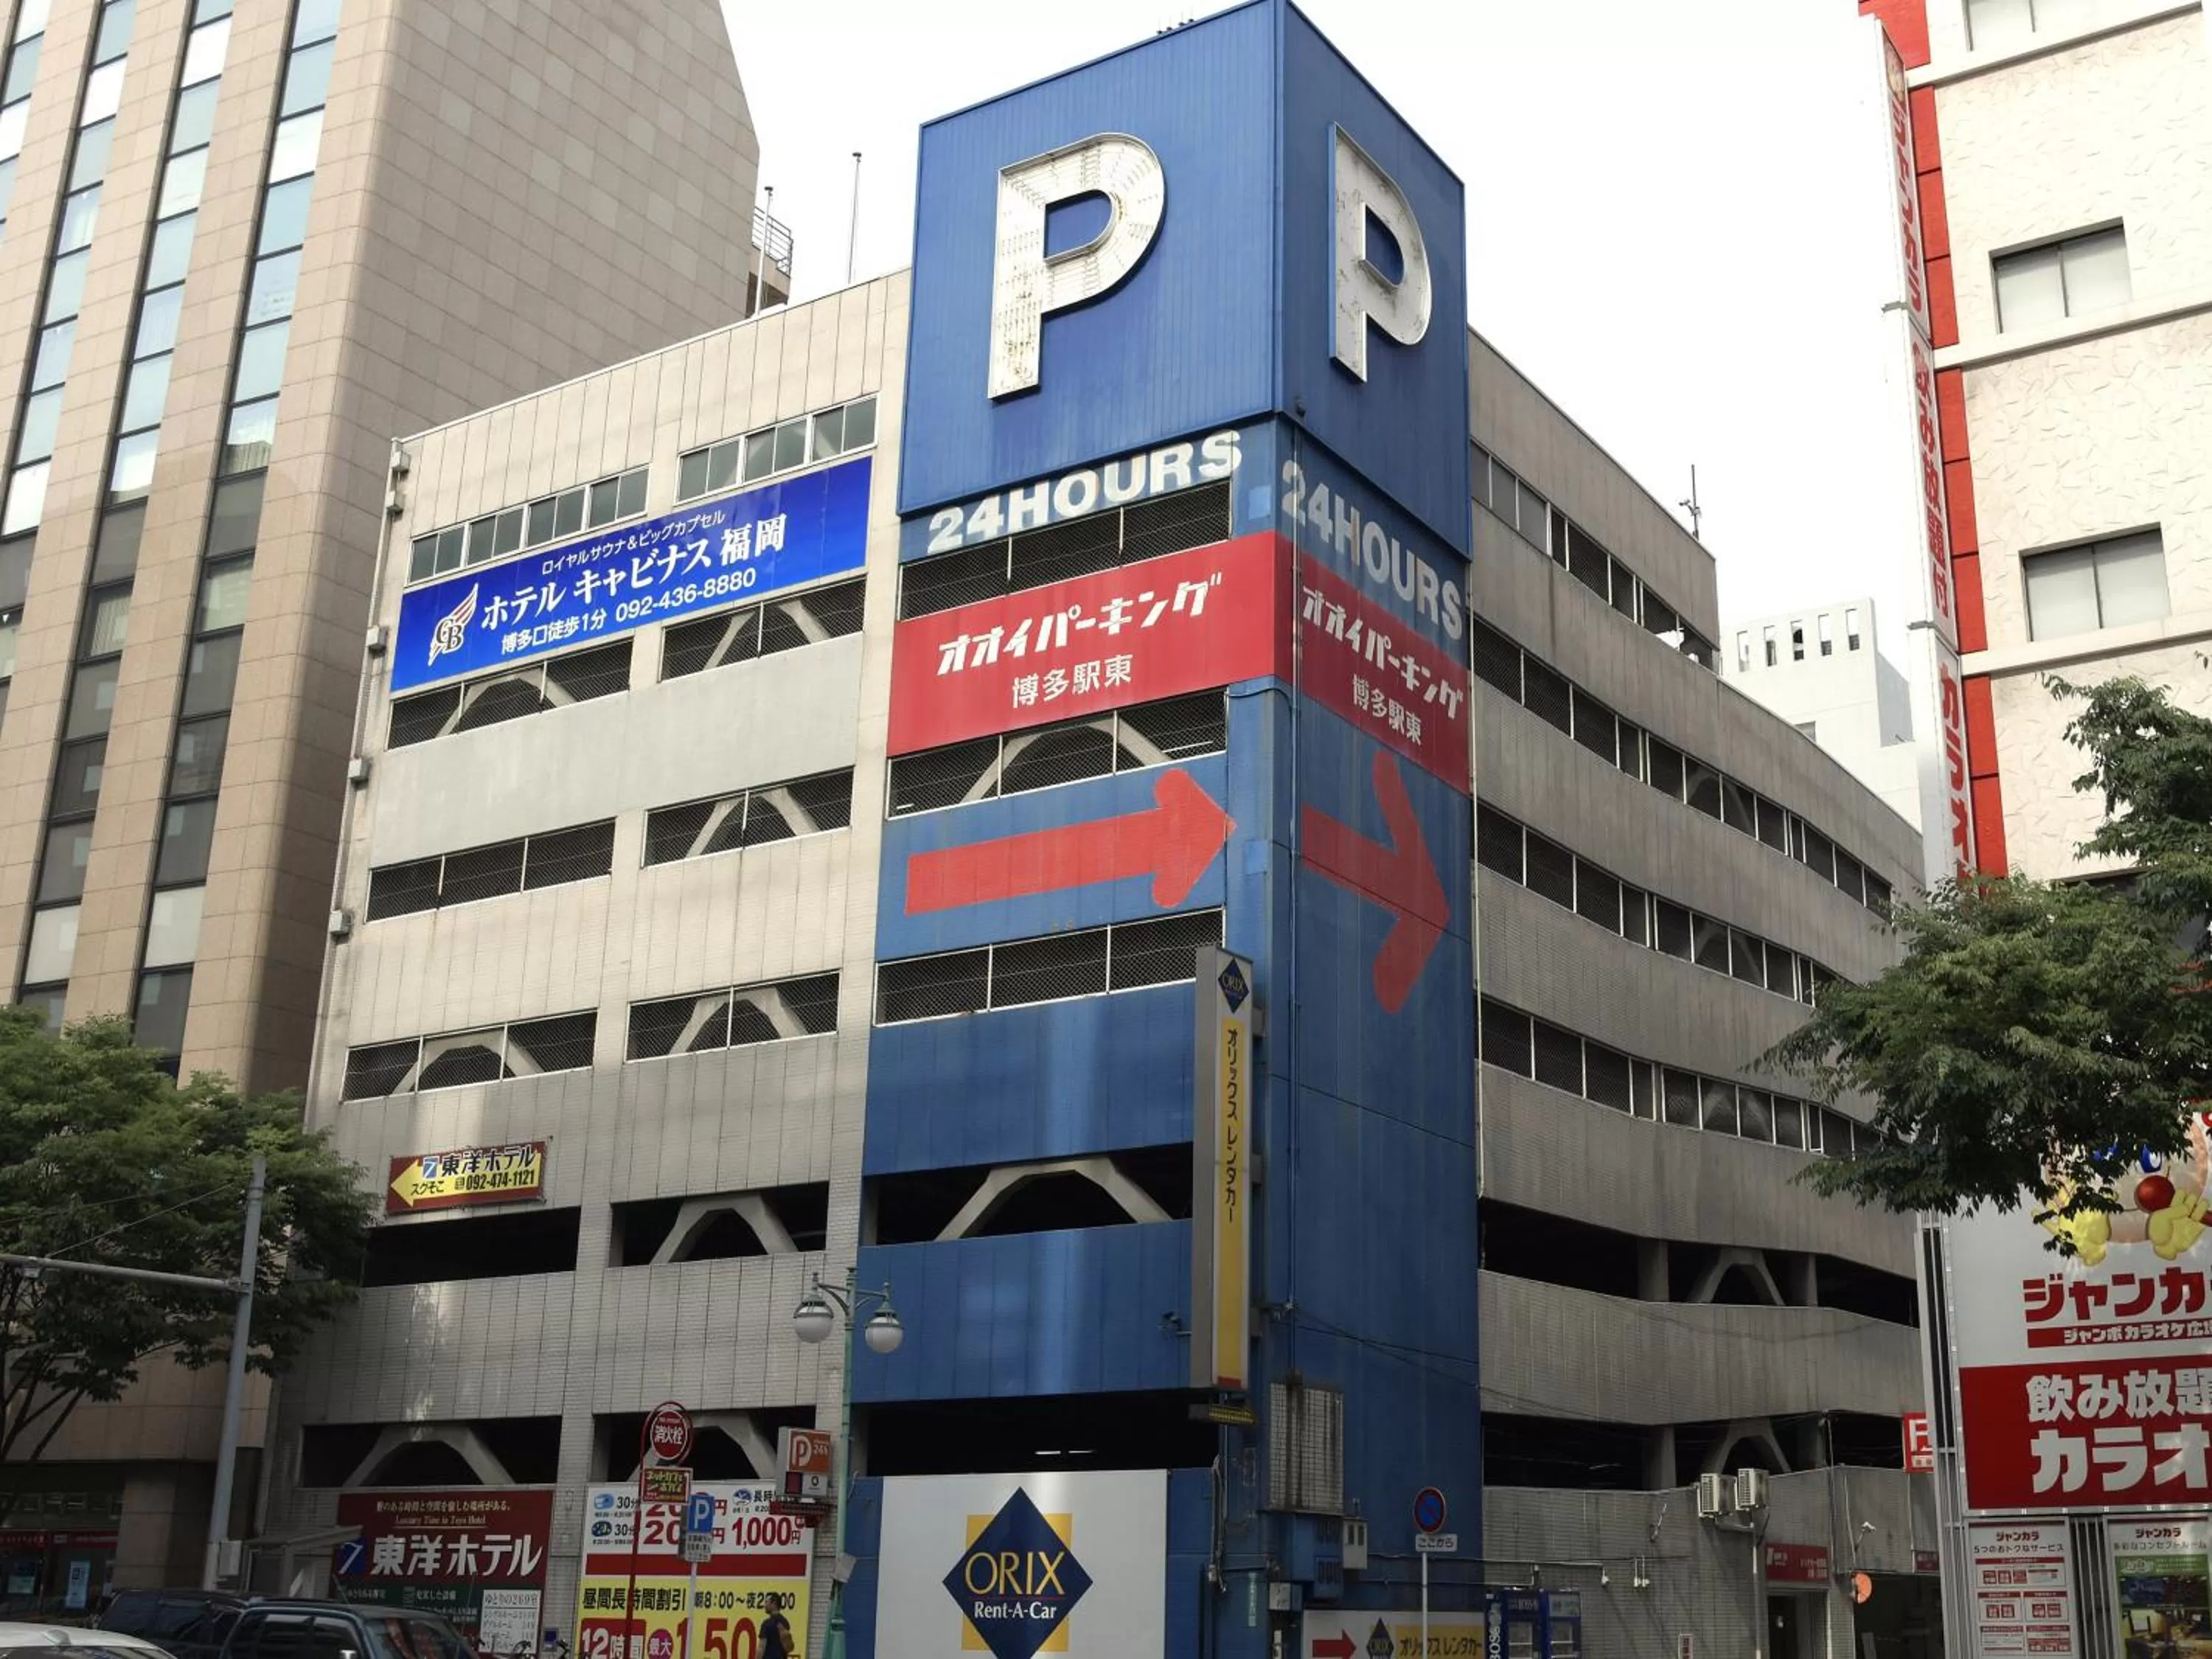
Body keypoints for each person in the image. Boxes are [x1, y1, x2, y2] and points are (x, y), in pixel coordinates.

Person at [758, 1594, 794, 1659]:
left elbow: (761, 1648)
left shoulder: (767, 1624)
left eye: (766, 1602)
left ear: (774, 1603)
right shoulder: (785, 1622)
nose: (765, 1605)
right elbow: (789, 1648)